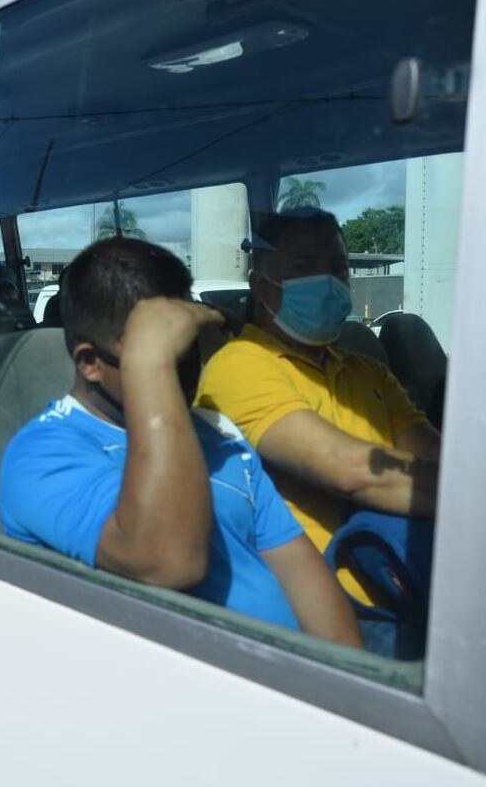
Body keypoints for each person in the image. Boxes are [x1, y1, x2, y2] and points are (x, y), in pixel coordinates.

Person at [0, 238, 362, 647]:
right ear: (90, 362)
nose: (190, 361)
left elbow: (302, 575)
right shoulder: (40, 456)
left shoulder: (217, 433)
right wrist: (150, 361)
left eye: (190, 340)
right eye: (169, 349)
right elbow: (169, 561)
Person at [195, 209, 440, 655]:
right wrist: (482, 499)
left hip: (406, 573)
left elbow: (434, 453)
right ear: (259, 286)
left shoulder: (368, 371)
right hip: (328, 605)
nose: (328, 281)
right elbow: (352, 471)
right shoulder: (239, 365)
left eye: (338, 268)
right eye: (304, 269)